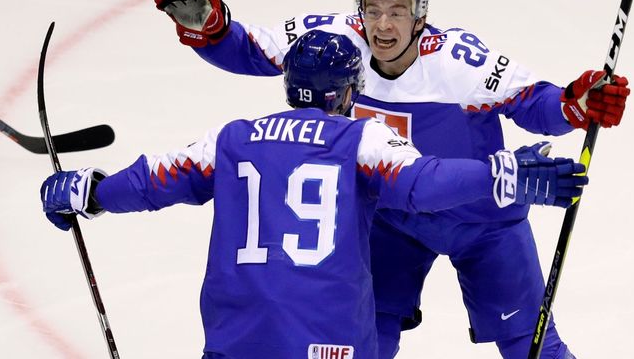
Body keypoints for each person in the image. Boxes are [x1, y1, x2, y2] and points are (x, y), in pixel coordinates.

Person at [153, 0, 628, 359]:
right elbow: (251, 50)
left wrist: (579, 104)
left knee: (530, 344)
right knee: (366, 339)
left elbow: (538, 104)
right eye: (373, 8)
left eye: (398, 10)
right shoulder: (337, 41)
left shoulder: (459, 61)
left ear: (420, 15)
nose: (383, 23)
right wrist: (212, 30)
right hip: (394, 220)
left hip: (483, 220)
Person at [41, 30, 587, 359]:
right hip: (331, 341)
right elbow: (423, 184)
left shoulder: (232, 139)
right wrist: (501, 174)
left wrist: (90, 192)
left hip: (237, 339)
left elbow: (152, 180)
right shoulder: (360, 141)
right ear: (349, 91)